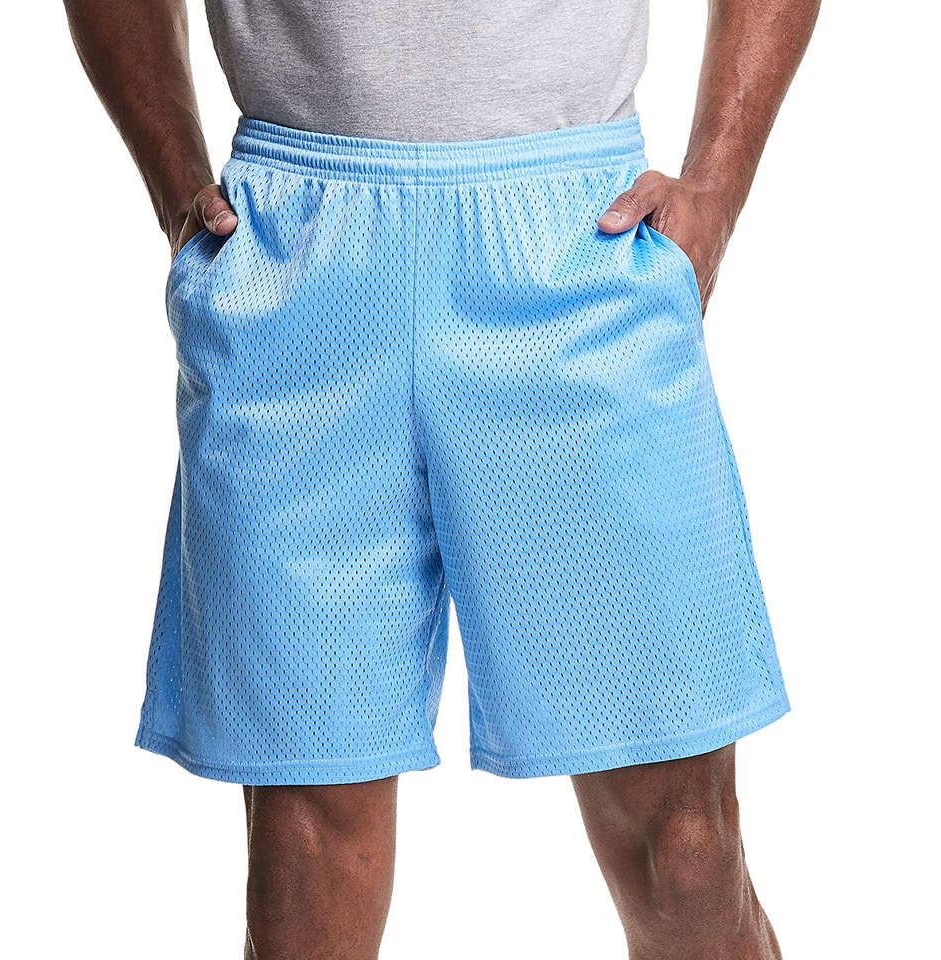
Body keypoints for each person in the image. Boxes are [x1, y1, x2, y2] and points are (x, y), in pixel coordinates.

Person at [64, 1, 818, 956]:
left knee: (684, 844)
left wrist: (716, 186)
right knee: (302, 858)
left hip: (576, 236)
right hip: (297, 252)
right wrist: (176, 184)